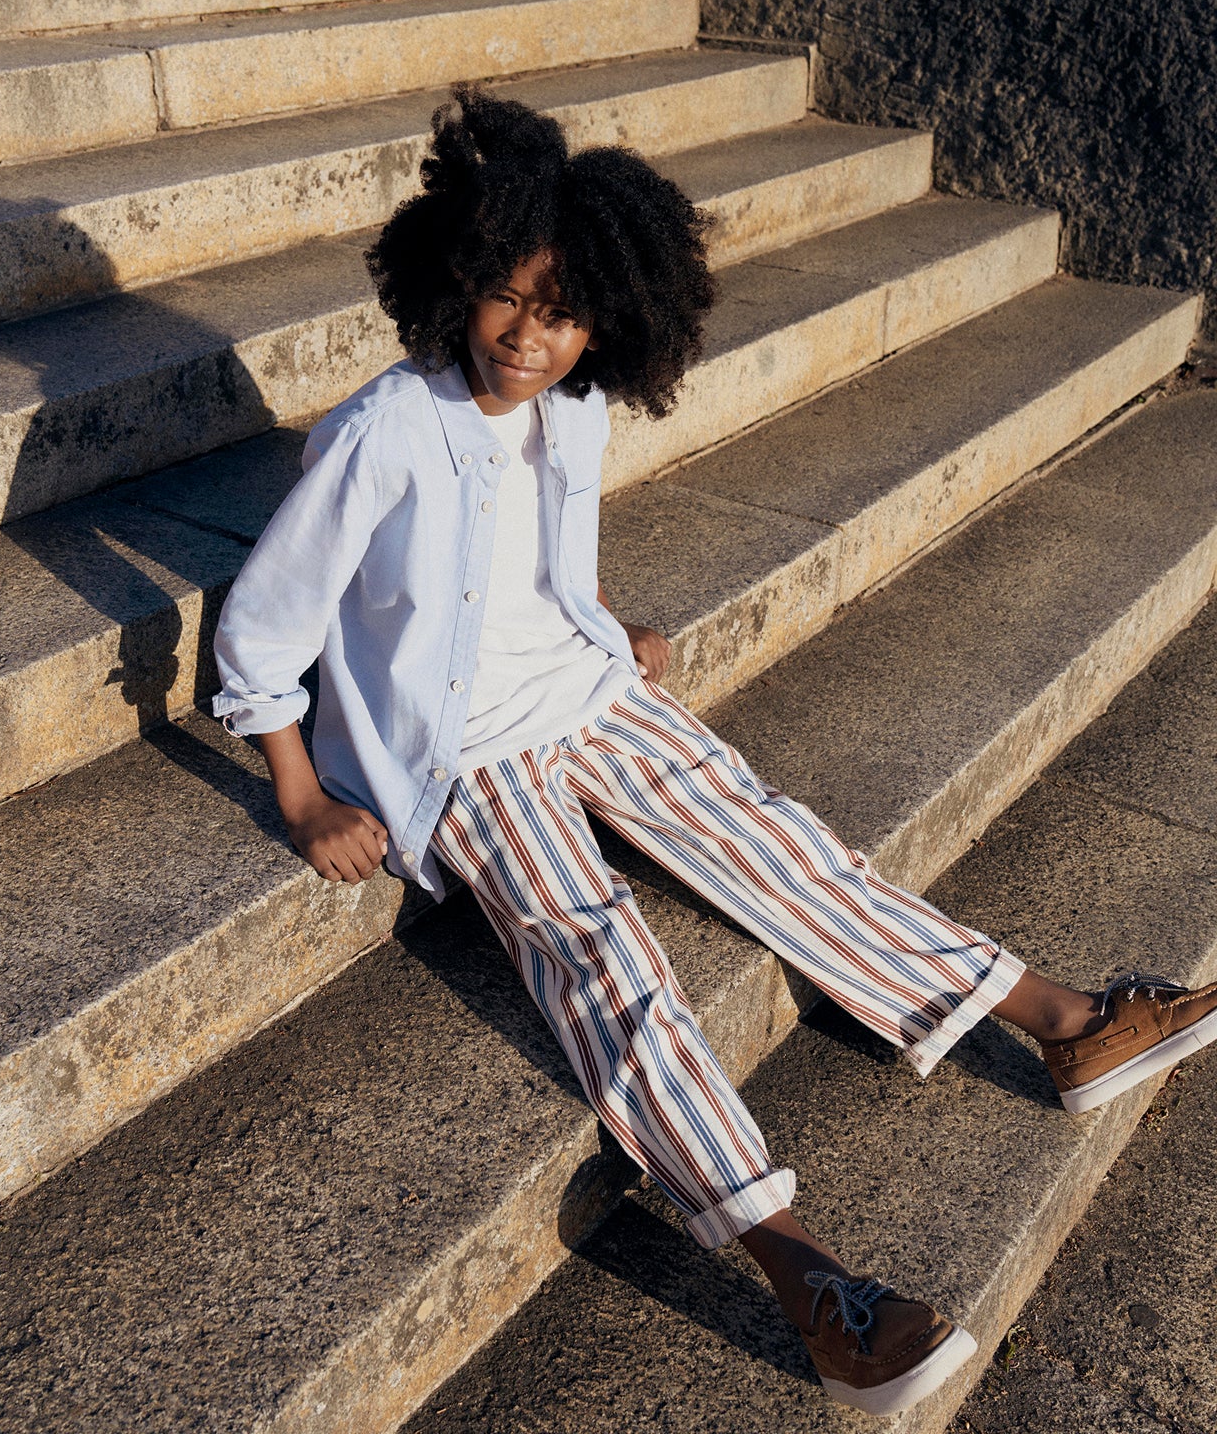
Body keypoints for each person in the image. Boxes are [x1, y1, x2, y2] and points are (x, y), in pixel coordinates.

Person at [212, 87, 1217, 1417]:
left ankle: (1068, 1026)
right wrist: (299, 790)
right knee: (608, 965)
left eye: (562, 314)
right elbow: (262, 627)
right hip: (465, 755)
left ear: (604, 323)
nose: (527, 337)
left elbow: (528, 566)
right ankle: (804, 1279)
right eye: (508, 298)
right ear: (456, 278)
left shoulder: (572, 413)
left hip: (585, 693)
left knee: (783, 847)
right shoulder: (383, 432)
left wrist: (599, 622)